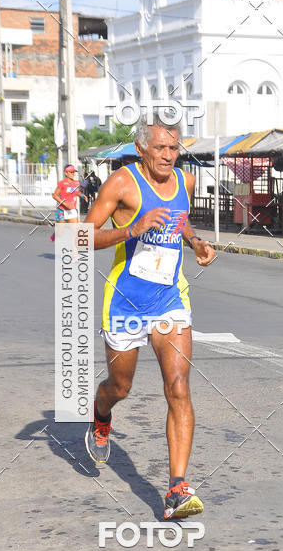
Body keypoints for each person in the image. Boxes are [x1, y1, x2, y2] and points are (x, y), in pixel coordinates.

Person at [84, 116, 216, 520]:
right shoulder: (121, 184)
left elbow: (180, 218)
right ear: (141, 148)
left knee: (178, 387)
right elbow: (80, 237)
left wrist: (194, 242)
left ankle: (177, 487)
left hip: (170, 301)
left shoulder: (185, 182)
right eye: (159, 148)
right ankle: (101, 416)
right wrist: (132, 228)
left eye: (173, 149)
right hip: (125, 304)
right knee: (119, 386)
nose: (167, 156)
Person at [51, 164, 81, 240]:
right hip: (62, 210)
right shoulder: (62, 183)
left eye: (74, 172)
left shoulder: (77, 183)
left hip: (72, 210)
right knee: (60, 233)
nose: (73, 174)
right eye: (71, 172)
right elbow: (54, 195)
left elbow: (76, 192)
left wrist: (83, 195)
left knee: (75, 233)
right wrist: (65, 204)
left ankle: (75, 250)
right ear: (66, 173)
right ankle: (57, 231)